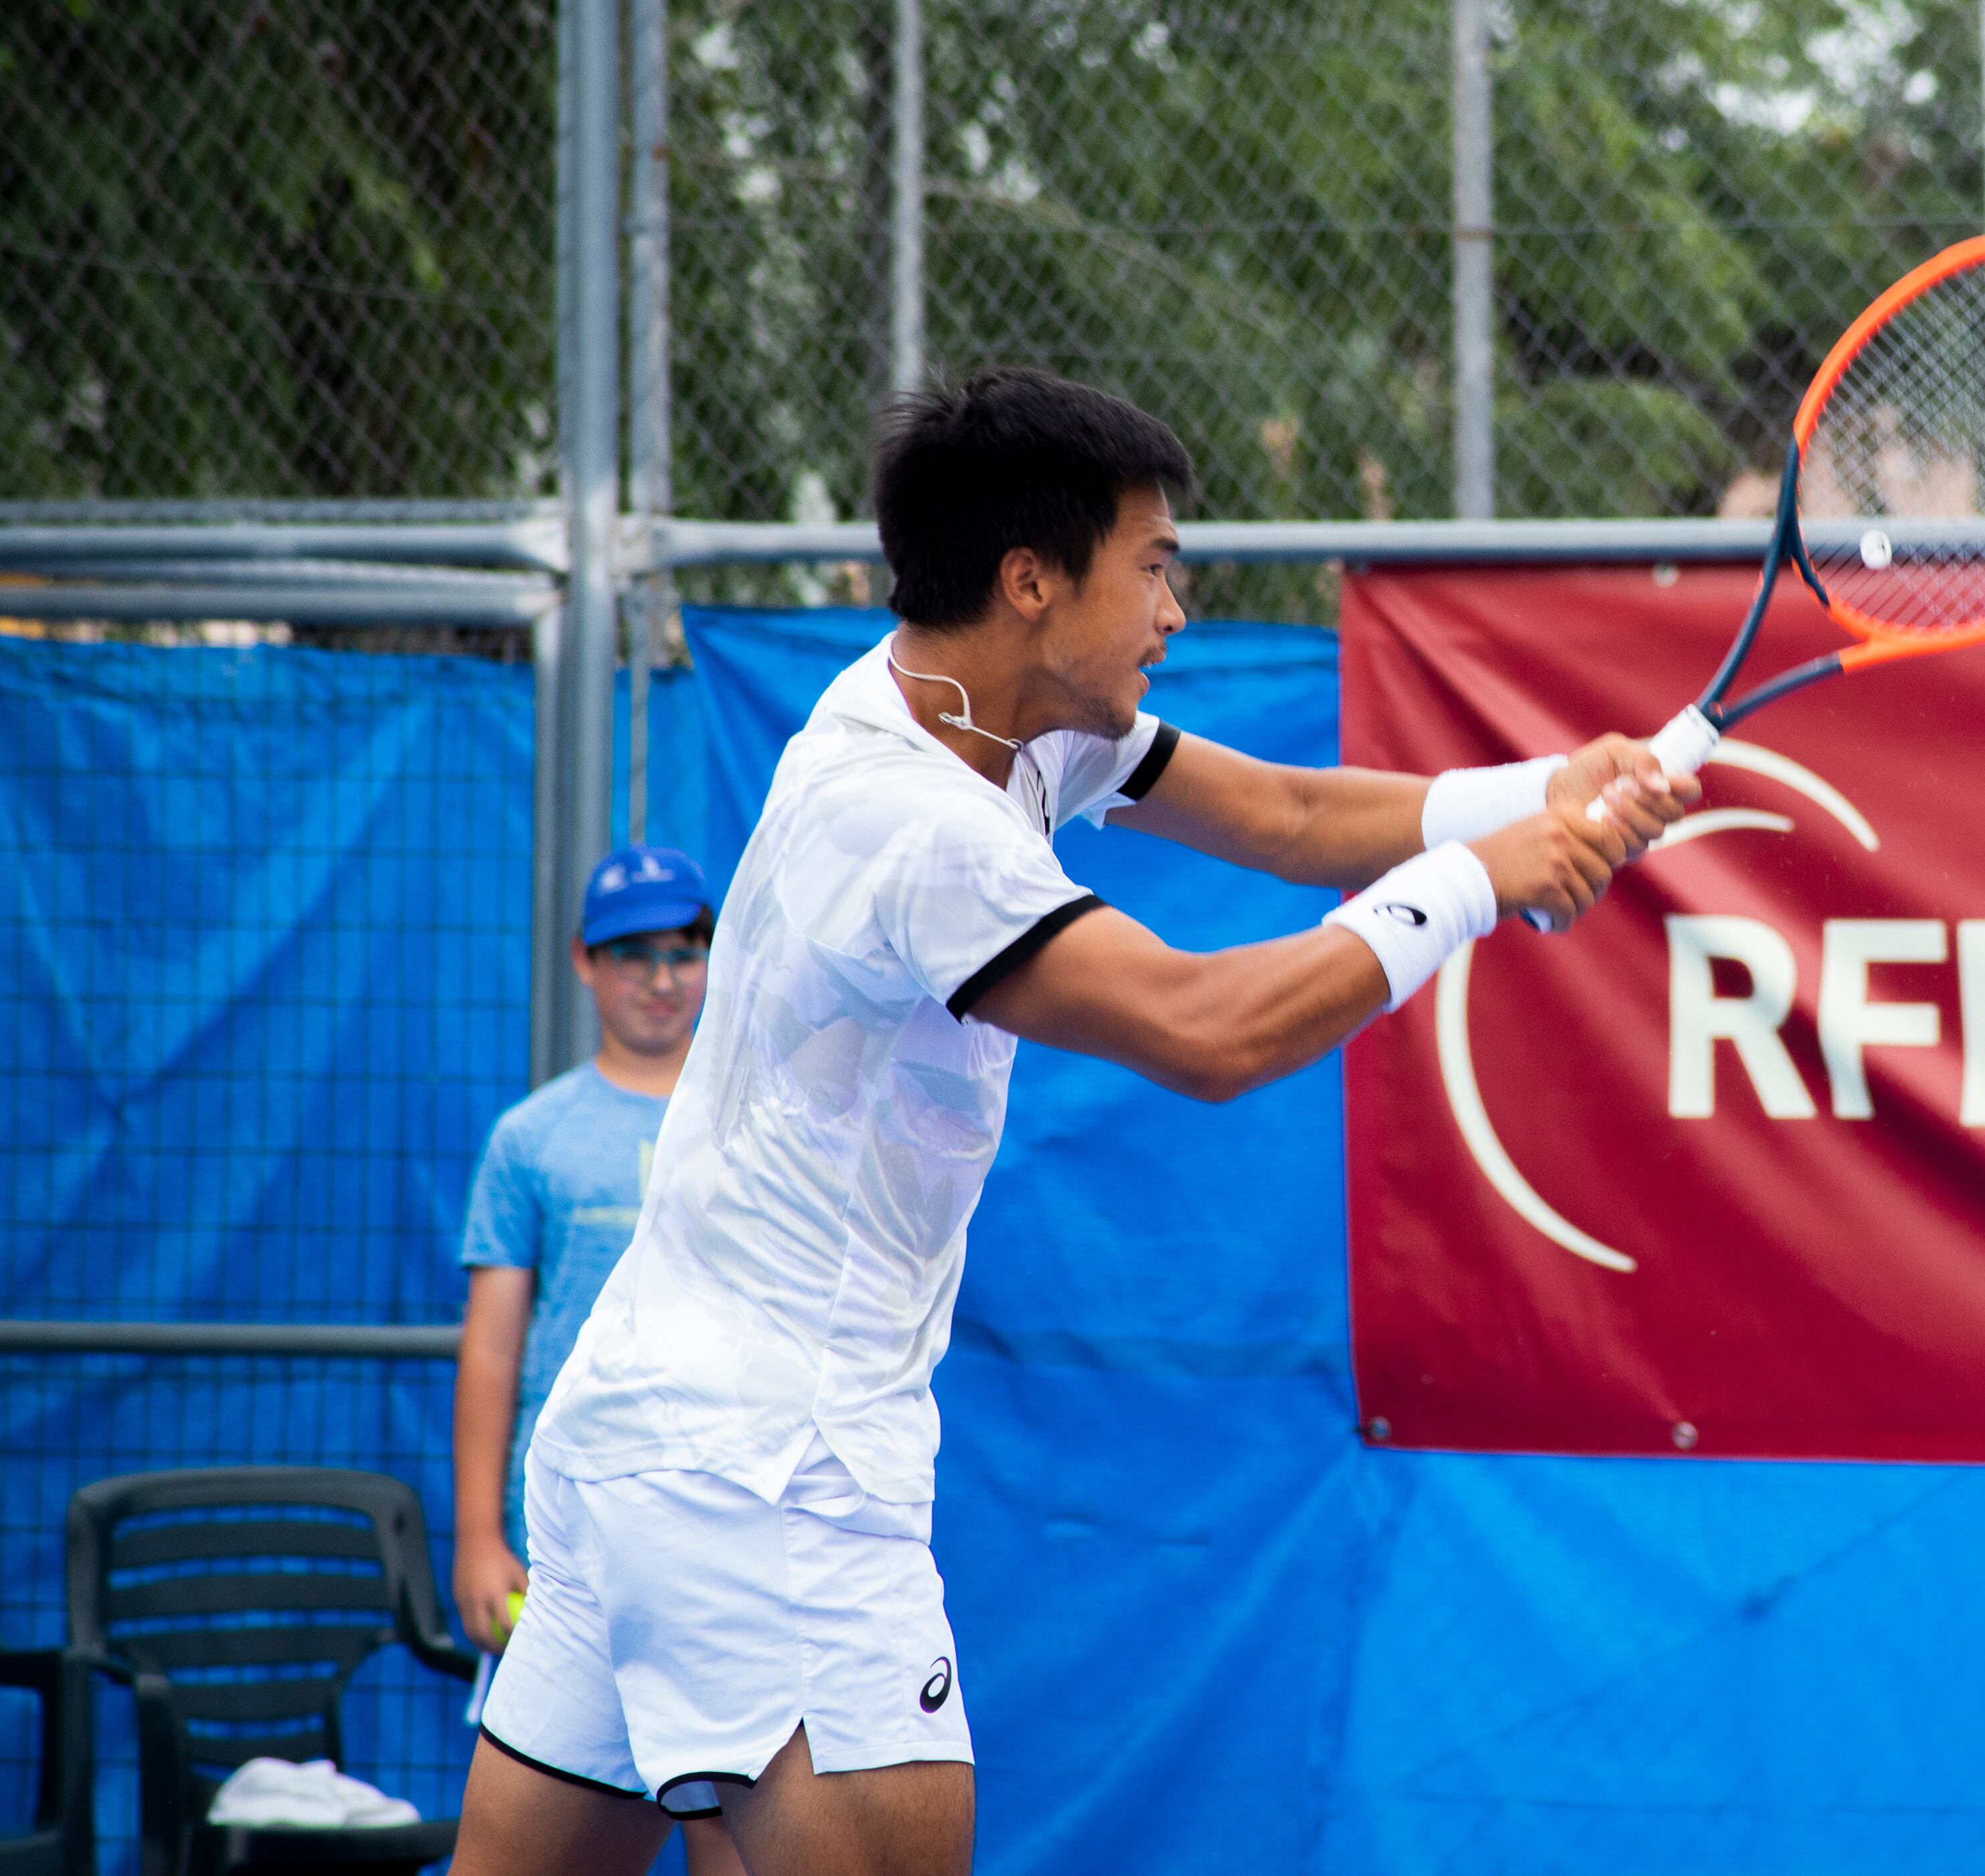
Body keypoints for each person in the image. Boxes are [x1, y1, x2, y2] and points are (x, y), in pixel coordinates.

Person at [452, 367, 1694, 1876]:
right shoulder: (912, 822)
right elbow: (1207, 1029)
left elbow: (1290, 818)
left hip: (633, 1443)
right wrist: (1481, 884)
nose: (1173, 610)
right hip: (773, 1471)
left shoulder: (975, 705)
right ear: (1032, 581)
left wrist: (1534, 790)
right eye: (1155, 565)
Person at [454, 844, 748, 1876]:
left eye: (684, 950)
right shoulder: (530, 1139)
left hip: (718, 1535)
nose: (661, 978)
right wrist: (482, 1537)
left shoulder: (753, 1129)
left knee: (732, 1829)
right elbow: (492, 1350)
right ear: (584, 961)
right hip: (567, 1551)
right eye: (633, 953)